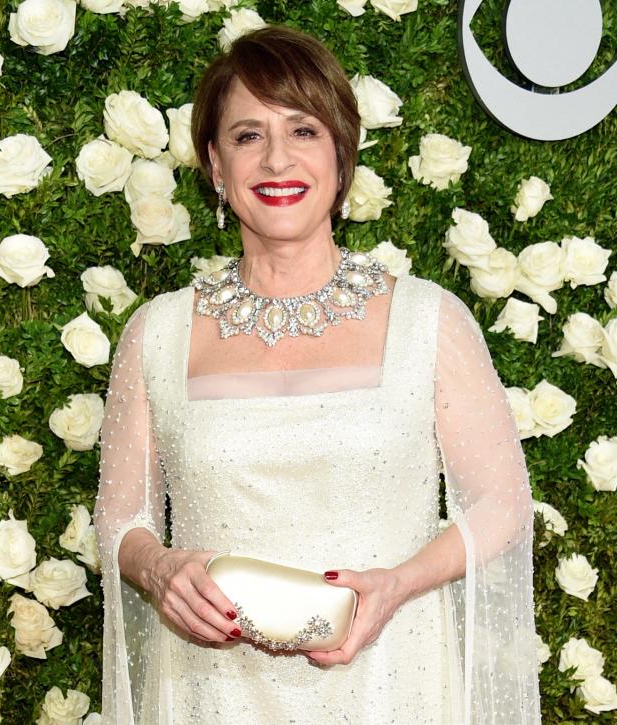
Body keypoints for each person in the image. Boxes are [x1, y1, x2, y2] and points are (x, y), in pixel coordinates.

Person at [94, 25, 540, 724]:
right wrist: (159, 569)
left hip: (394, 682)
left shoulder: (429, 320)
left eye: (303, 130)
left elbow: (504, 503)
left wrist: (398, 584)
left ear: (342, 154)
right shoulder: (157, 334)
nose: (277, 159)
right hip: (211, 695)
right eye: (247, 136)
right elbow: (122, 519)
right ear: (214, 164)